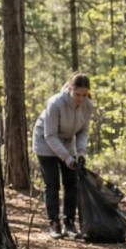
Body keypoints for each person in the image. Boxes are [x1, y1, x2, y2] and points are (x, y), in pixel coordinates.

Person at [33, 73, 95, 240]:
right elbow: (50, 135)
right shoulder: (55, 103)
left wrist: (80, 153)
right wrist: (66, 157)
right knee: (52, 185)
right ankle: (54, 224)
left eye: (84, 94)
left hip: (67, 144)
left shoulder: (88, 106)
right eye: (77, 94)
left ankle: (69, 224)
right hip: (45, 143)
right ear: (69, 89)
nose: (81, 98)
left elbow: (83, 131)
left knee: (71, 184)